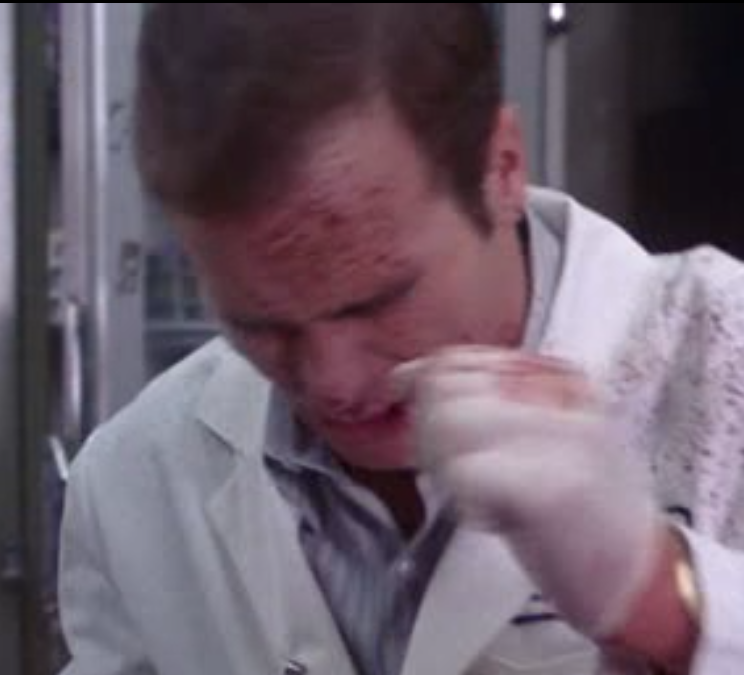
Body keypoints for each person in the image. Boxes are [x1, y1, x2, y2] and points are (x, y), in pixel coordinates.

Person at [58, 4, 744, 675]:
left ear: (503, 167)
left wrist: (661, 600)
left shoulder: (721, 357)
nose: (334, 381)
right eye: (259, 324)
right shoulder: (134, 479)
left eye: (378, 301)